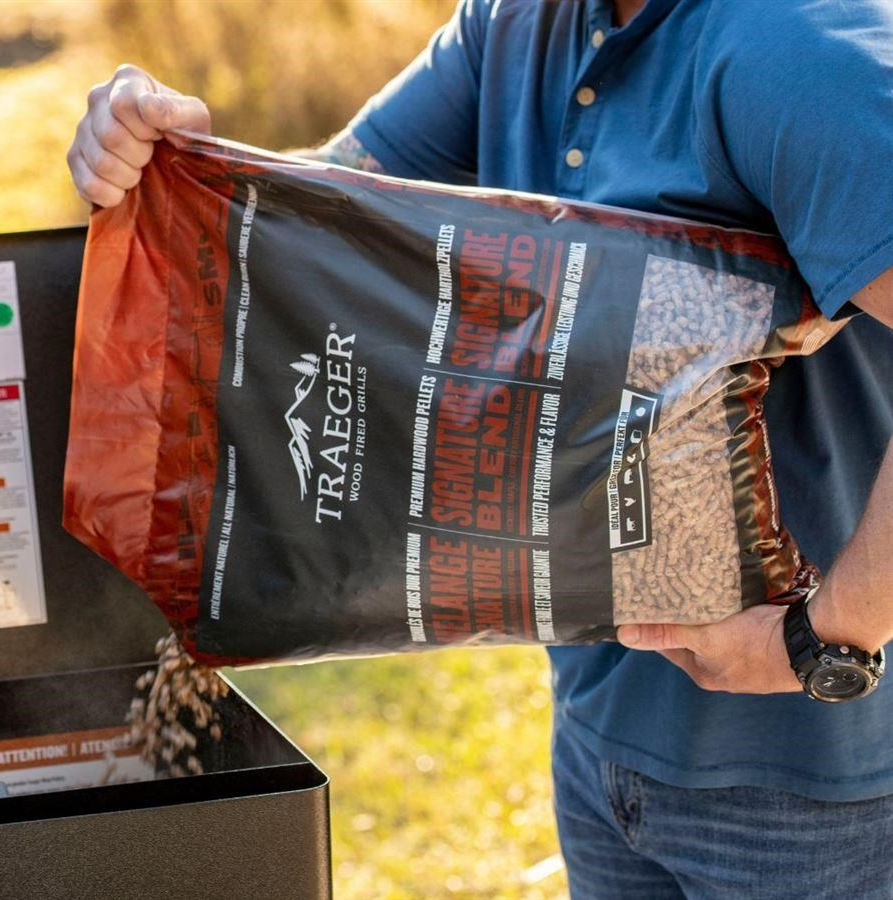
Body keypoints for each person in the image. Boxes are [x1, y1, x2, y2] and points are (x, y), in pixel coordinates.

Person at [68, 0, 892, 895]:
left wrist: (828, 638)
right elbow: (305, 225)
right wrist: (170, 157)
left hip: (809, 782)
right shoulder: (515, 24)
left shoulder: (793, 55)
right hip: (599, 739)